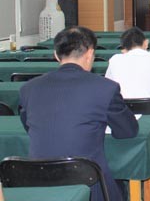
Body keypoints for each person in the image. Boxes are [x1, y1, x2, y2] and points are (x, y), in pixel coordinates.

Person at [18, 27, 139, 201]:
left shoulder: (28, 88)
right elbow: (127, 131)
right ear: (90, 53)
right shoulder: (105, 88)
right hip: (90, 186)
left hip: (38, 186)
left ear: (56, 55)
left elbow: (29, 127)